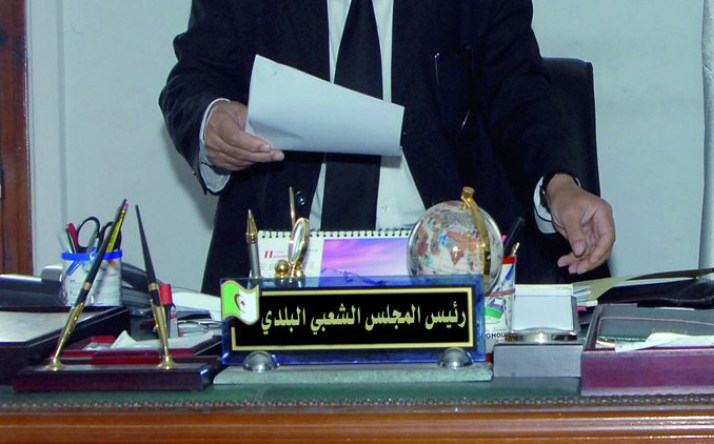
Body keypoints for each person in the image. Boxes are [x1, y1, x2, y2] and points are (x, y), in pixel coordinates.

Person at [160, 0, 615, 295]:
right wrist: (211, 121)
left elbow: (518, 91)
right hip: (287, 268)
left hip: (444, 264)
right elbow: (192, 80)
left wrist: (559, 185)